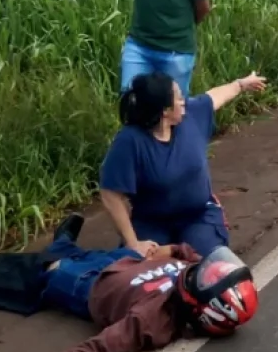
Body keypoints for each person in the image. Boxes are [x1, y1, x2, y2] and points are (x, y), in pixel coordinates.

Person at [3, 214, 258, 352]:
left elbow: (95, 350)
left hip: (89, 285)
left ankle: (59, 247)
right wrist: (168, 250)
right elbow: (189, 253)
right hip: (126, 261)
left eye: (204, 277)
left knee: (48, 267)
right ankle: (63, 242)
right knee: (86, 253)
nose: (200, 269)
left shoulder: (150, 321)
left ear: (199, 309)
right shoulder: (199, 275)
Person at [99, 70, 267, 259]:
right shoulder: (130, 141)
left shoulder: (191, 116)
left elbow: (213, 97)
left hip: (198, 216)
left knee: (207, 263)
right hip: (151, 223)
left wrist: (241, 84)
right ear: (164, 110)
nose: (183, 101)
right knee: (145, 268)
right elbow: (111, 193)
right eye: (178, 98)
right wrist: (133, 243)